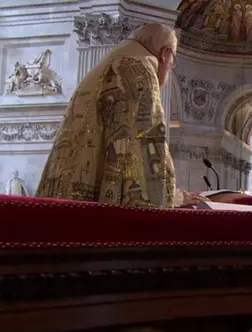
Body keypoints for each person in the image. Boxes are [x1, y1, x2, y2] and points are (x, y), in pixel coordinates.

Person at [36, 23, 206, 208]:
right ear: (166, 54)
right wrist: (175, 197)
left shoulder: (102, 67)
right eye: (173, 61)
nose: (170, 66)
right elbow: (148, 144)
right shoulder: (142, 71)